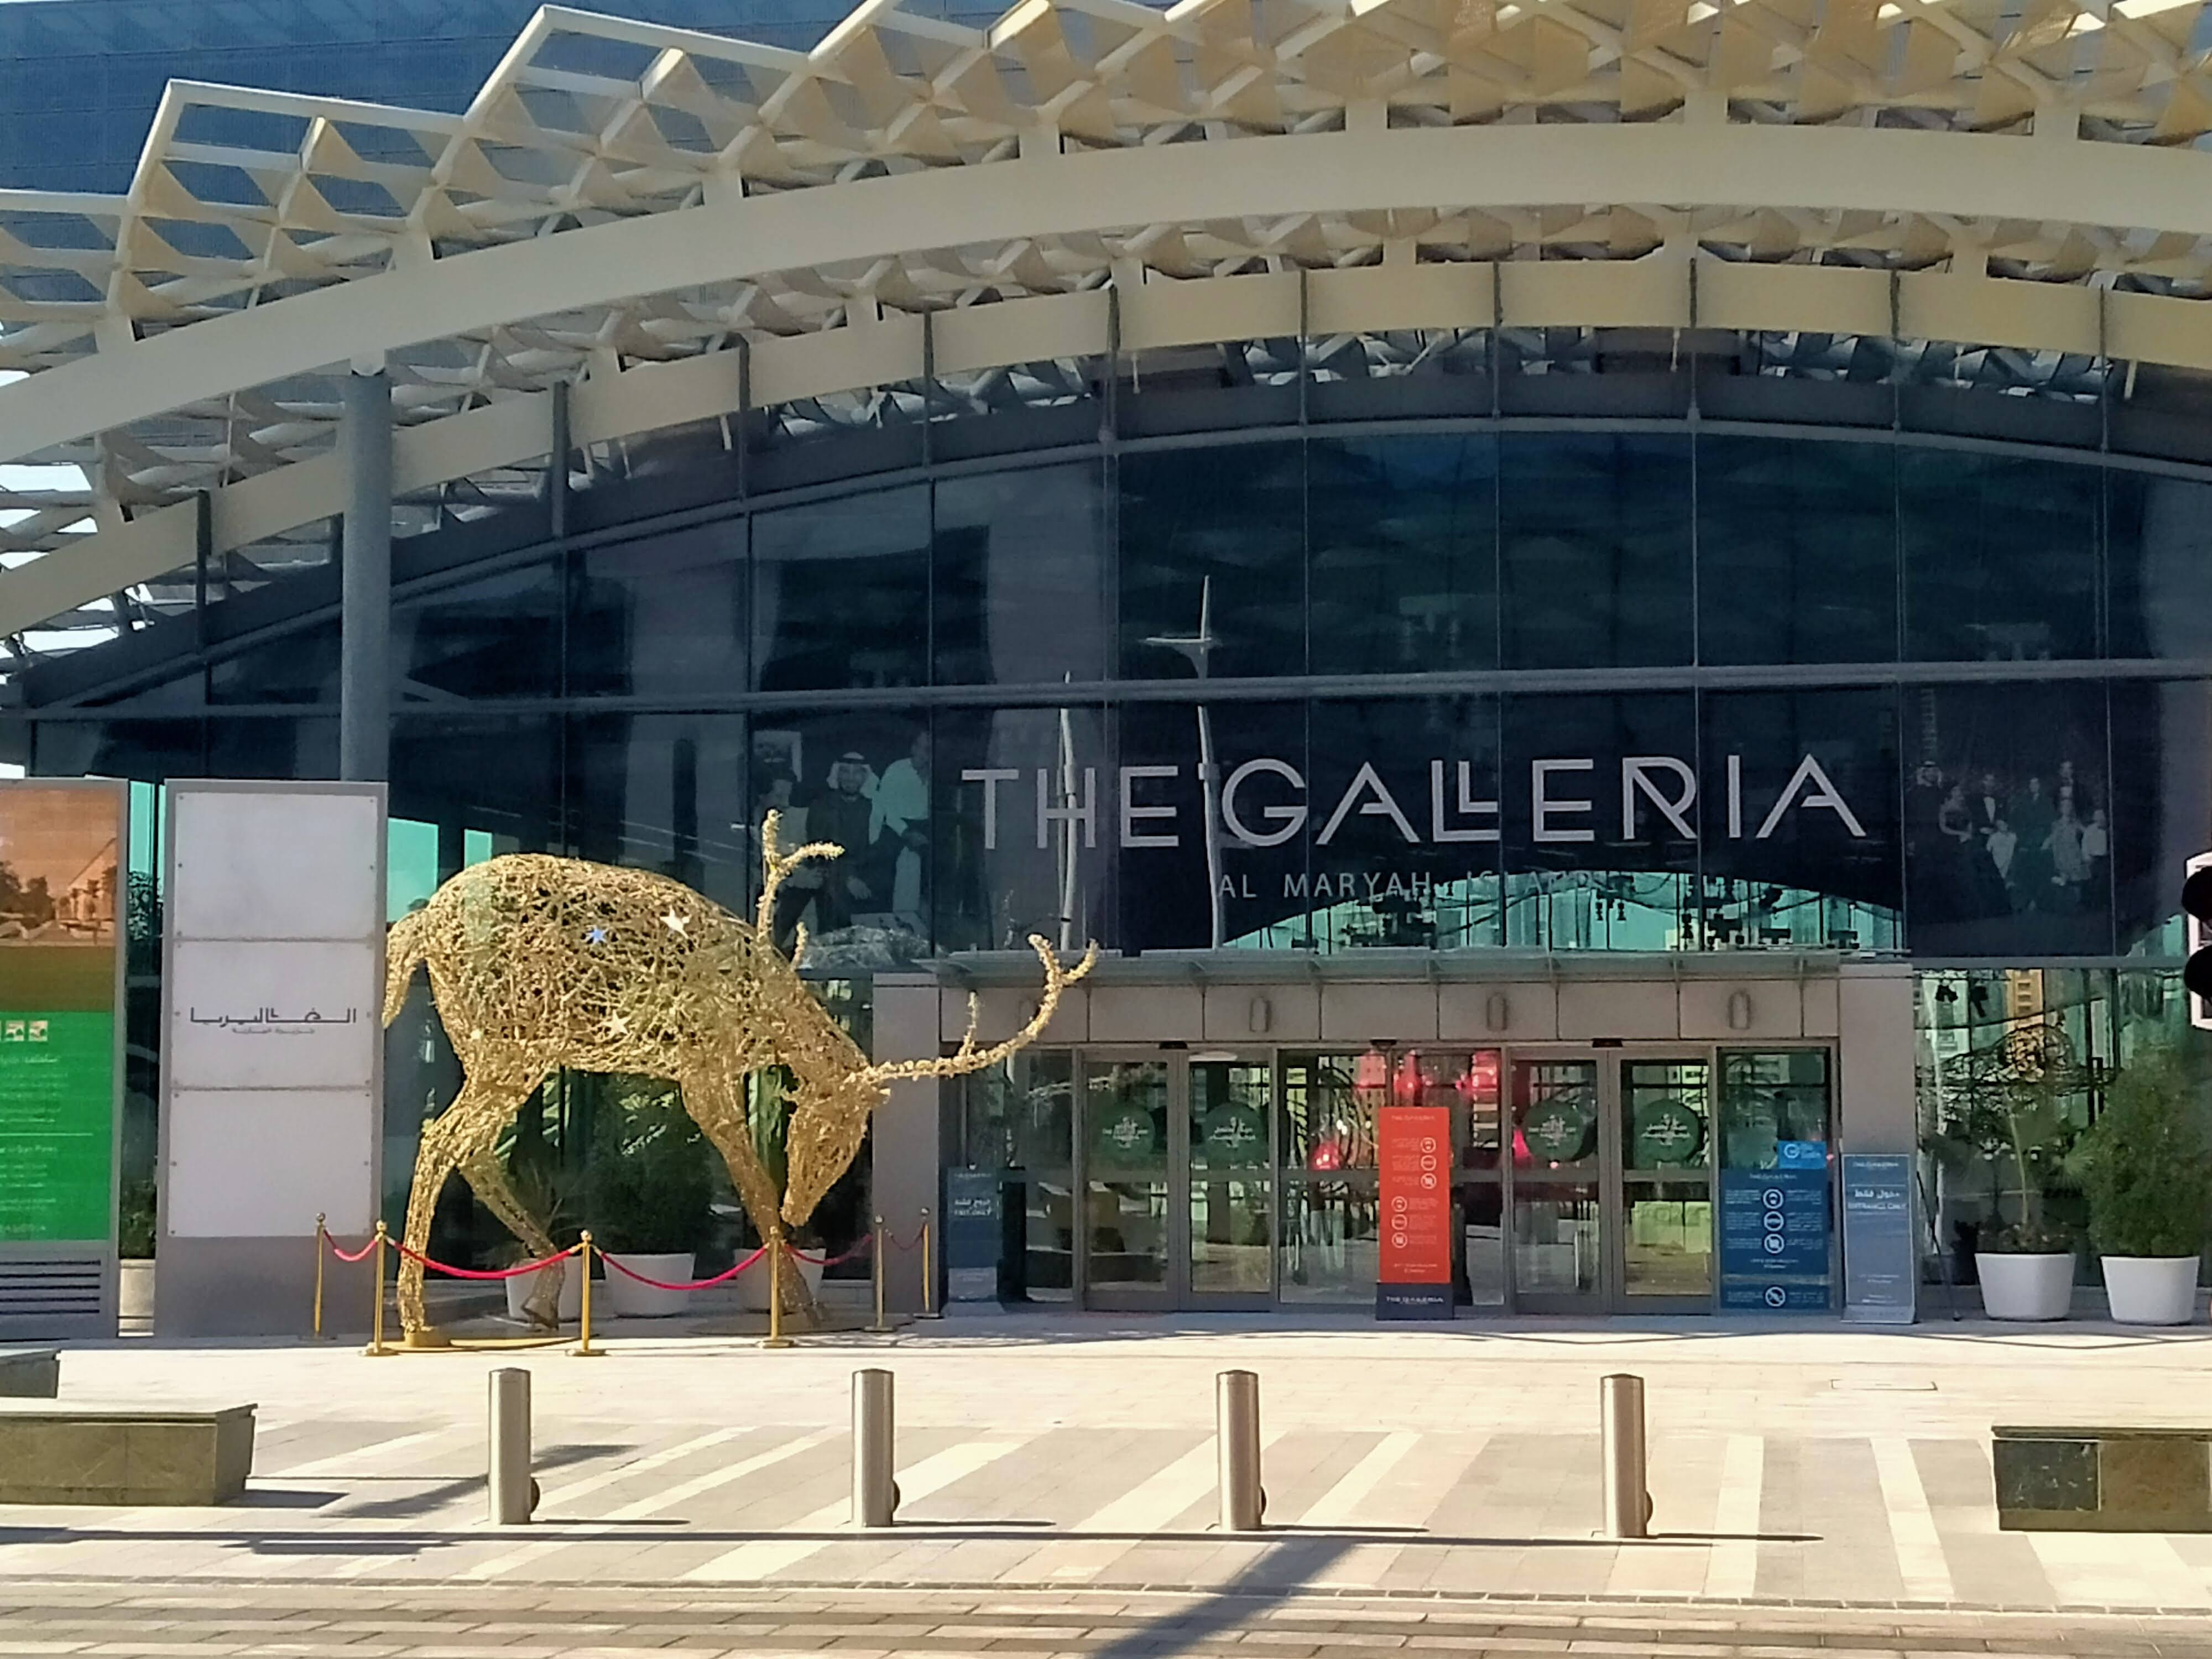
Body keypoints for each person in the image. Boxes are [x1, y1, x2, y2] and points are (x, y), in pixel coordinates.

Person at [870, 728, 932, 931]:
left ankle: (926, 929)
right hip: (896, 827)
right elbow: (885, 807)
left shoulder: (937, 772)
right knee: (886, 878)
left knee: (933, 877)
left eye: (930, 749)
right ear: (913, 748)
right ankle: (886, 927)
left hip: (926, 827)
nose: (926, 753)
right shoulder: (897, 770)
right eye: (922, 748)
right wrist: (905, 833)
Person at [810, 752, 877, 932]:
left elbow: (877, 850)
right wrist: (848, 877)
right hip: (833, 877)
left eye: (857, 773)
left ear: (865, 777)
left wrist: (860, 878)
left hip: (867, 877)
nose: (850, 778)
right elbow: (817, 850)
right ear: (837, 775)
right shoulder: (822, 806)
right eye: (845, 772)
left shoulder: (872, 807)